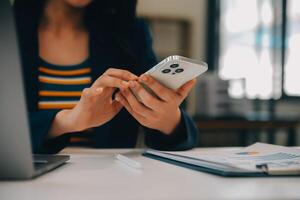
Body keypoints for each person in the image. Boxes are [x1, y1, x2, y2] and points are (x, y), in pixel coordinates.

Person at [14, 0, 199, 154]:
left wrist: (169, 121)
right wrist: (67, 121)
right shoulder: (9, 31)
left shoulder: (129, 33)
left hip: (112, 183)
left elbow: (177, 136)